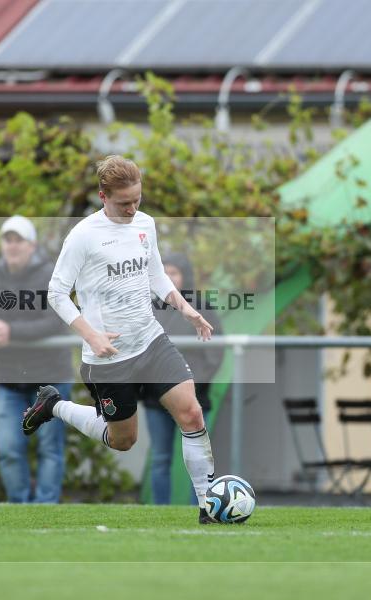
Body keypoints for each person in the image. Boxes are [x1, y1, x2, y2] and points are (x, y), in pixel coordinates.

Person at [24, 155, 220, 524]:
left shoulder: (145, 224)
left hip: (152, 341)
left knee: (192, 413)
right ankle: (54, 406)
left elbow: (157, 276)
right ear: (103, 196)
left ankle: (208, 506)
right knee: (122, 440)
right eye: (123, 203)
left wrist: (186, 309)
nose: (132, 209)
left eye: (137, 200)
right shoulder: (82, 236)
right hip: (110, 359)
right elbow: (56, 293)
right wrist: (91, 336)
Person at [0, 216, 73, 503]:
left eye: (19, 240)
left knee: (50, 449)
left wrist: (10, 331)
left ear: (32, 245)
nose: (12, 246)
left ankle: (45, 509)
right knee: (9, 449)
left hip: (50, 379)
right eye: (7, 240)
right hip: (9, 380)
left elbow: (54, 321)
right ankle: (20, 507)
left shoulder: (51, 274)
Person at [144, 253, 224, 505]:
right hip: (155, 399)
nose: (169, 277)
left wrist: (189, 386)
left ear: (185, 276)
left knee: (199, 459)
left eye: (175, 272)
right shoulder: (147, 307)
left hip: (194, 399)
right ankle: (159, 511)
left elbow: (215, 351)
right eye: (164, 271)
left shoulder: (200, 307)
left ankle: (203, 507)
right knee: (160, 458)